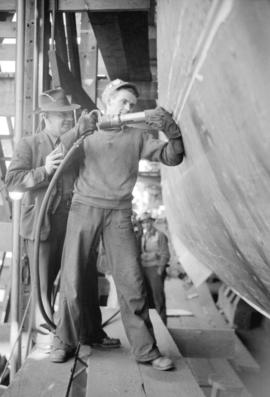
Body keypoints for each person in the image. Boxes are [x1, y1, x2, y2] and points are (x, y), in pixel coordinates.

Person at [50, 78, 185, 370]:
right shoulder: (88, 130)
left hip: (120, 212)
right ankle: (64, 341)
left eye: (132, 105)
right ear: (105, 101)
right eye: (123, 101)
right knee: (72, 279)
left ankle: (146, 350)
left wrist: (172, 134)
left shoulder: (137, 135)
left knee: (132, 282)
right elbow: (58, 155)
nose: (128, 107)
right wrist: (77, 131)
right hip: (84, 206)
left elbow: (171, 157)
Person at [5, 88, 119, 351]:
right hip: (42, 225)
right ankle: (52, 338)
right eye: (60, 115)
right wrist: (43, 170)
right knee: (44, 284)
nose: (67, 119)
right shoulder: (29, 144)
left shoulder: (78, 144)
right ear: (45, 117)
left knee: (87, 276)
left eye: (68, 114)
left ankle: (92, 333)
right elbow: (11, 182)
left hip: (75, 221)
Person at [140, 213, 170, 325]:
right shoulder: (142, 235)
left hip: (155, 269)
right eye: (143, 222)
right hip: (144, 270)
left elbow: (165, 254)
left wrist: (160, 269)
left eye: (148, 222)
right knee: (148, 299)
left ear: (152, 222)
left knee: (158, 298)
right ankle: (152, 325)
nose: (146, 224)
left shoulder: (160, 235)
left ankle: (162, 324)